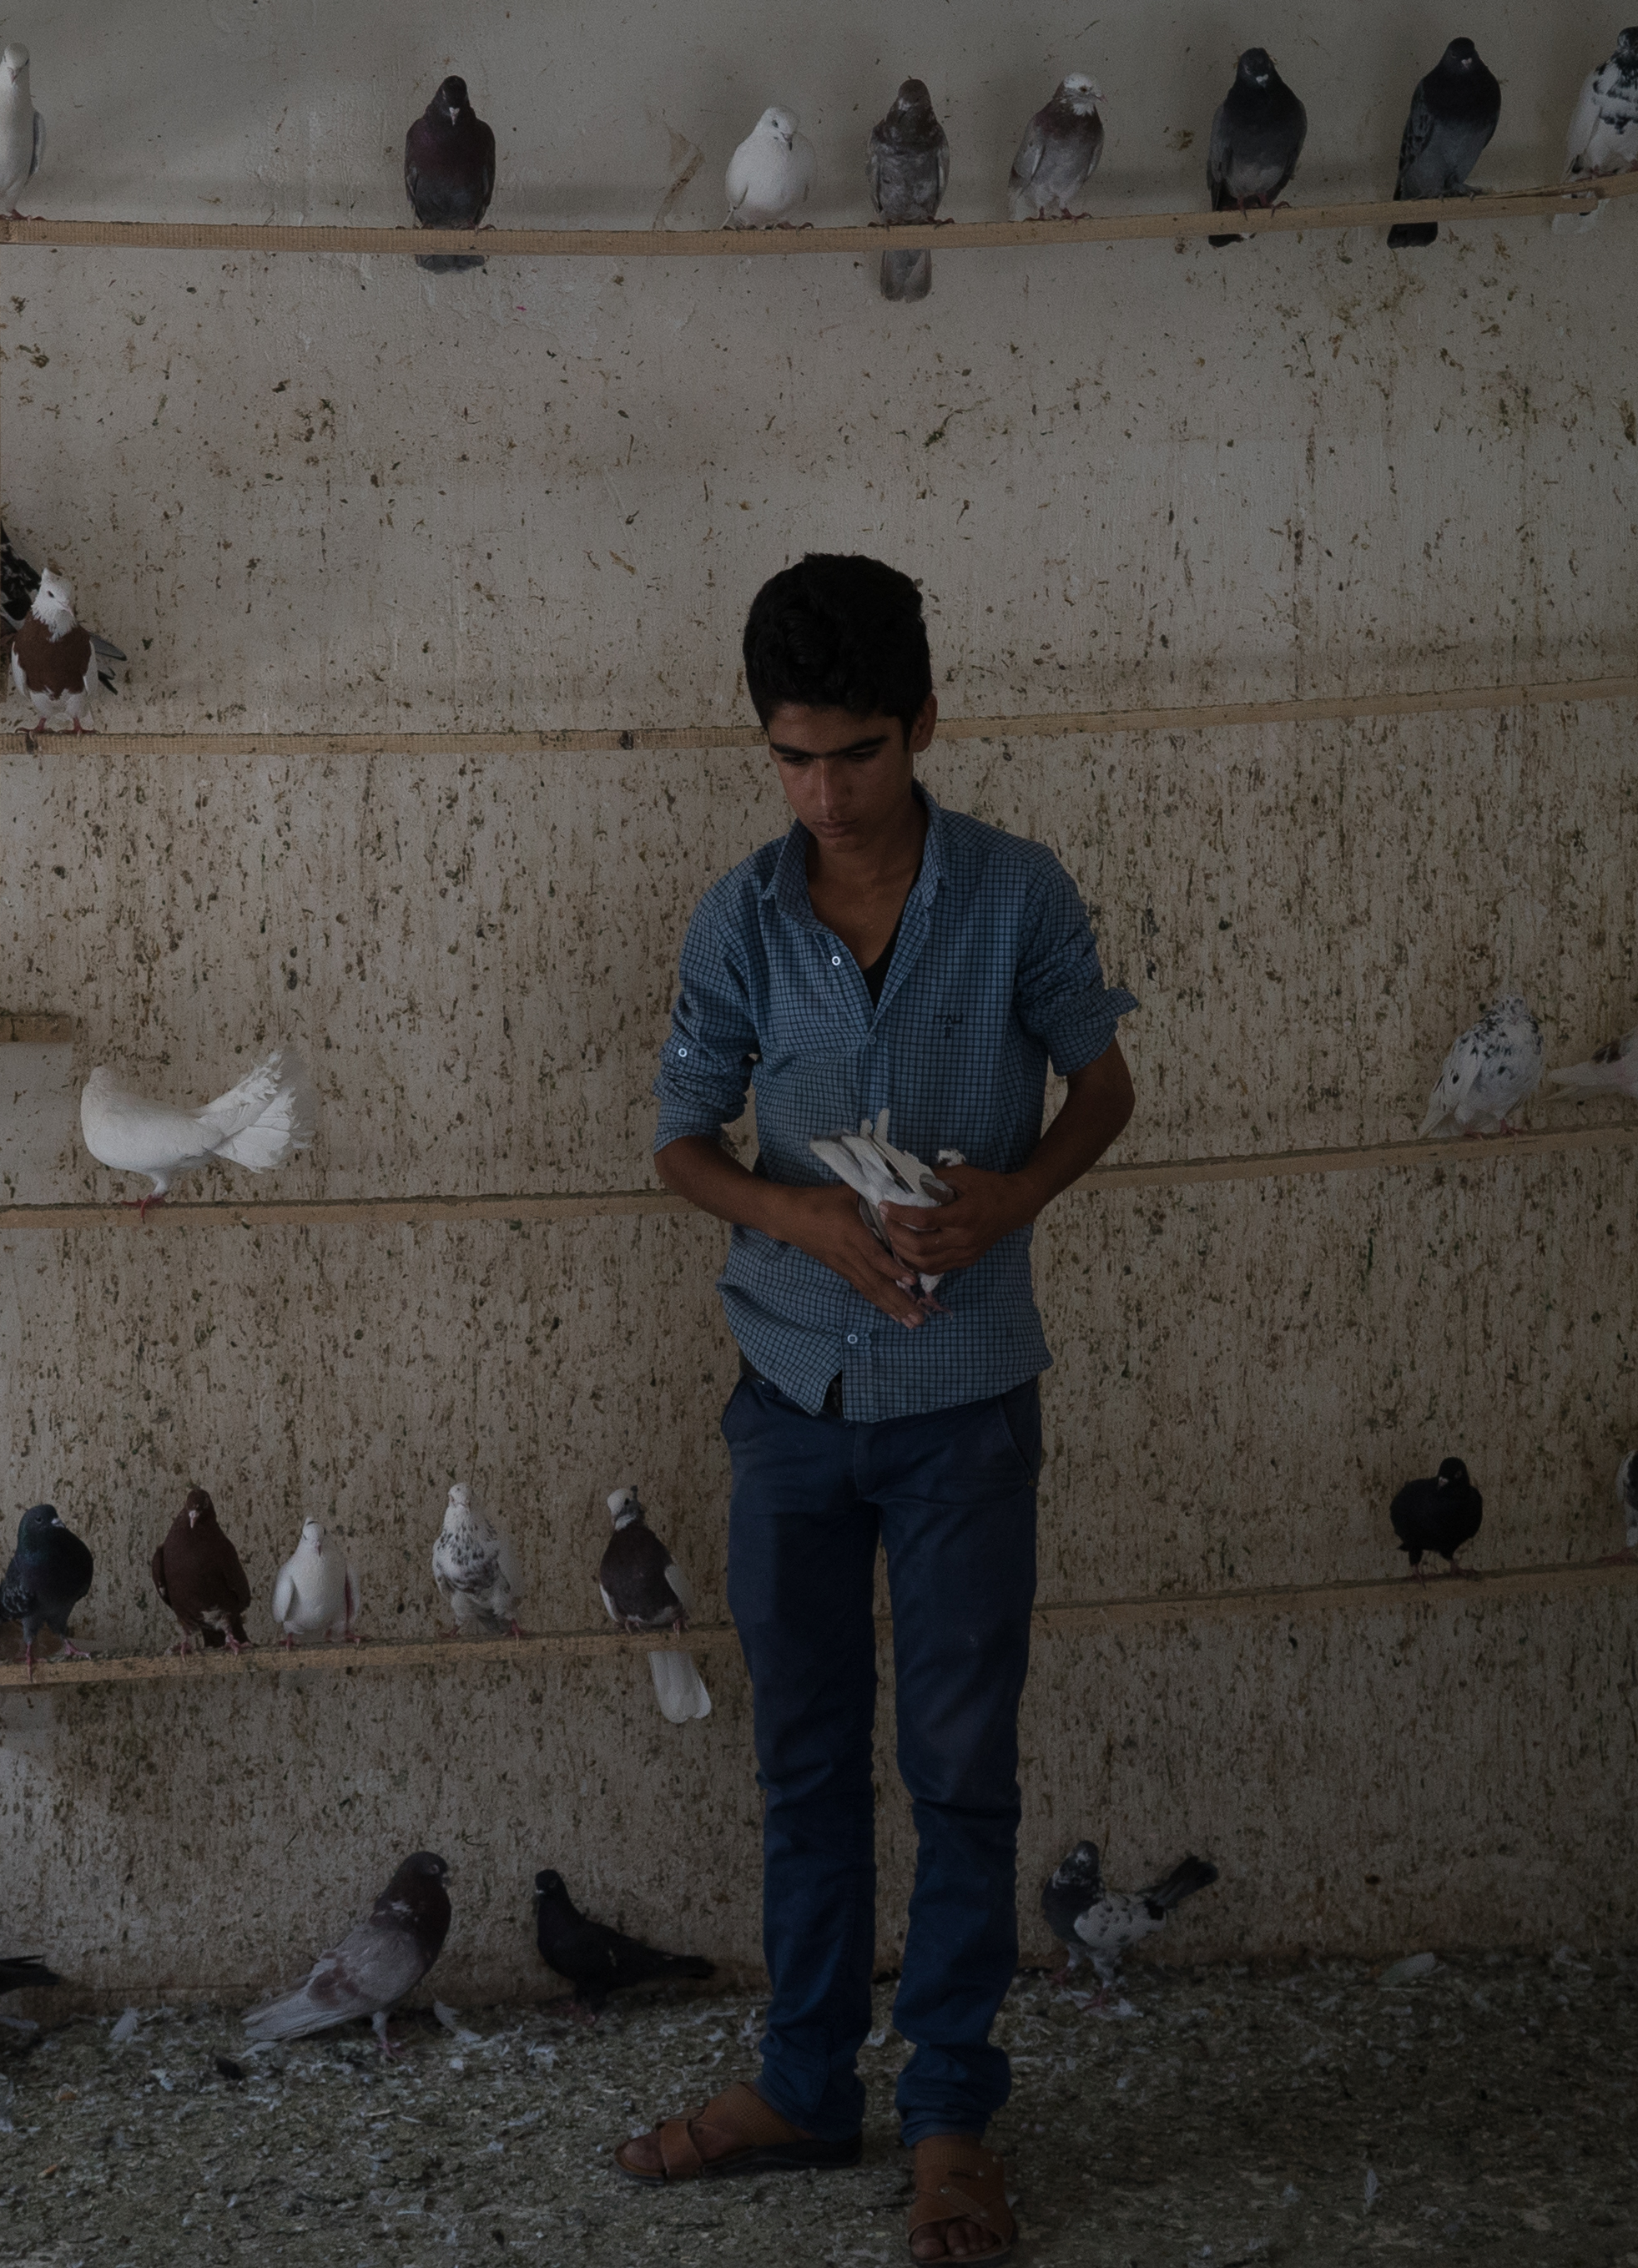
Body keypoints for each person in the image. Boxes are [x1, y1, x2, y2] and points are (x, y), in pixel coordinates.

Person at [619, 553, 1136, 2265]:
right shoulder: (741, 917)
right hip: (790, 1396)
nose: (824, 795)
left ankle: (951, 2120)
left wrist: (1014, 1197)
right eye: (791, 758)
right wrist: (805, 1217)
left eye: (855, 753)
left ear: (922, 724)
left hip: (967, 1400)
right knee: (806, 1758)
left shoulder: (1015, 893)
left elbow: (1104, 1082)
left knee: (961, 1767)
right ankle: (803, 2081)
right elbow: (681, 1142)